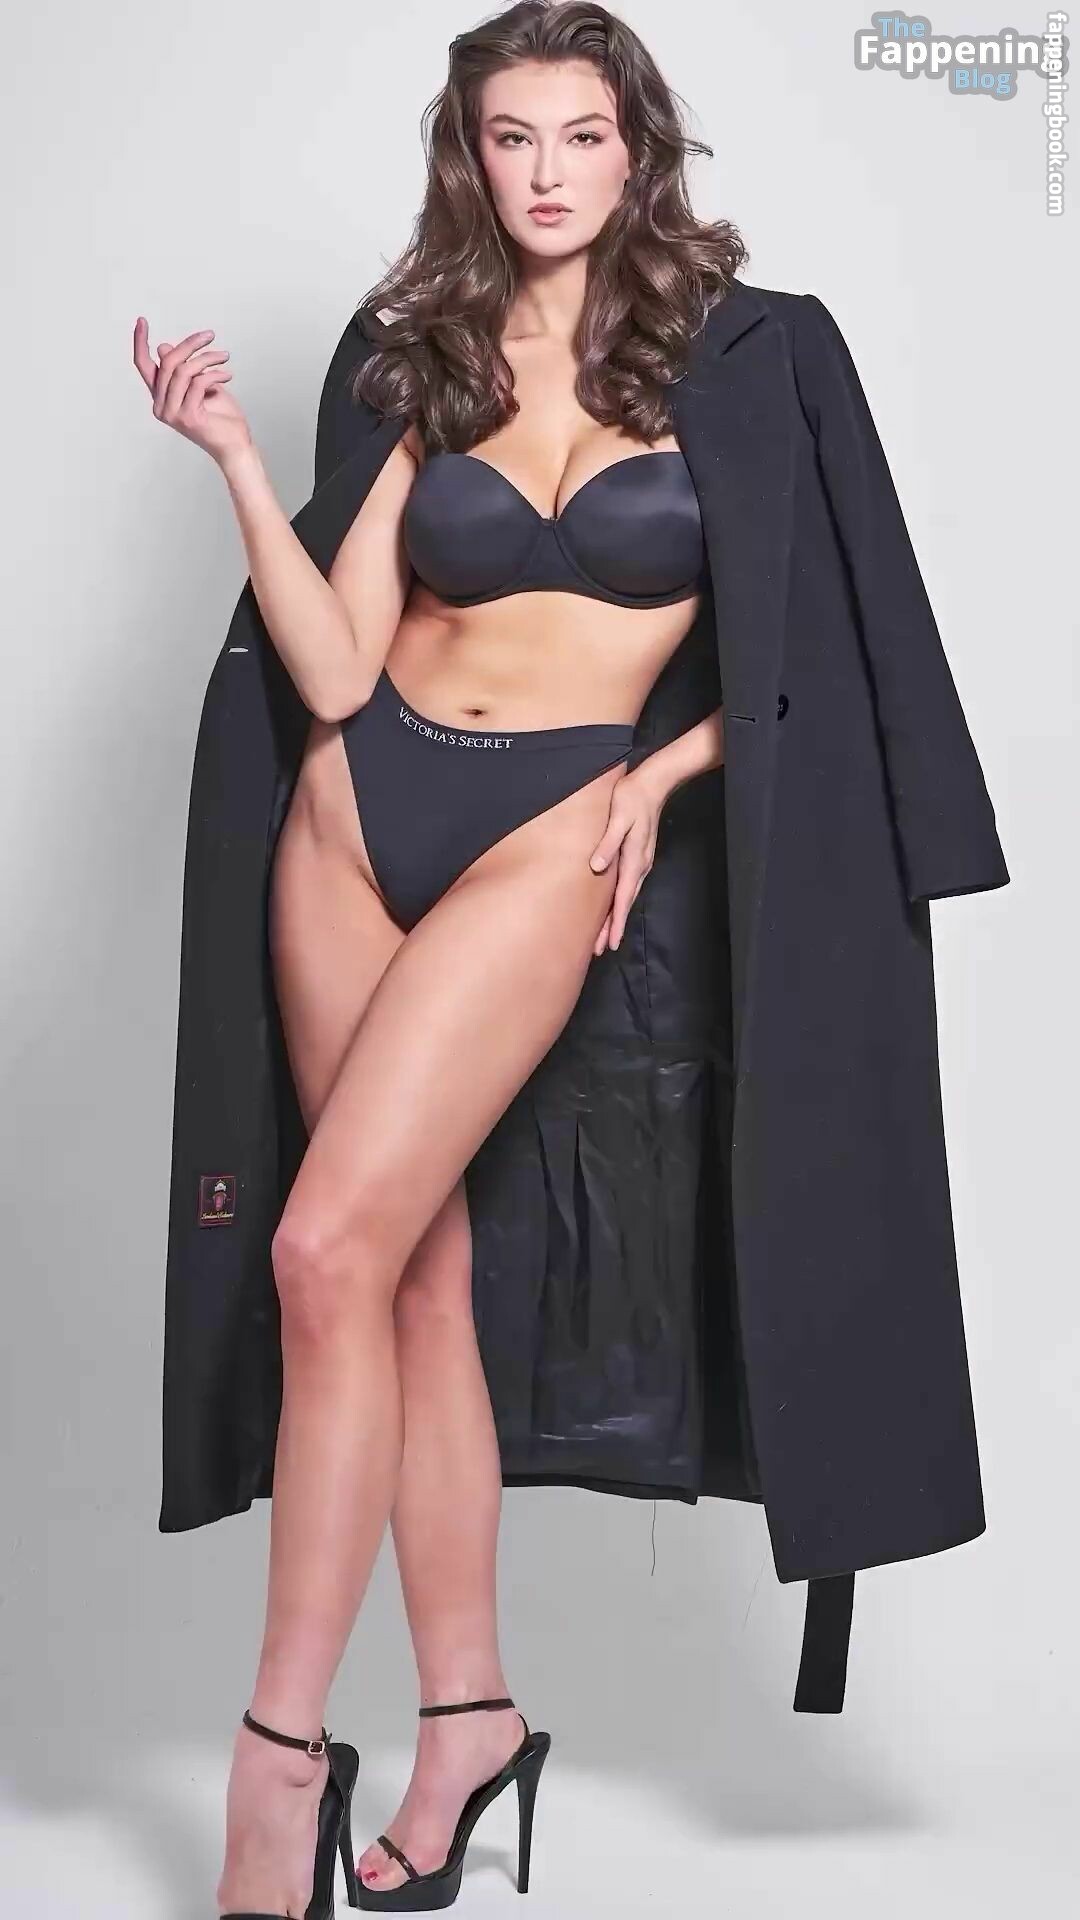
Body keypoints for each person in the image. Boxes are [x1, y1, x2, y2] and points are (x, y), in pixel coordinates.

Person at [138, 5, 1010, 1917]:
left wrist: (667, 773)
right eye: (511, 136)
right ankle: (467, 1719)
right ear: (472, 155)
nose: (547, 172)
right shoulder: (416, 351)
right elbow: (337, 667)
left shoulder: (761, 357)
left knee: (321, 1249)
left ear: (639, 149)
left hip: (553, 826)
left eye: (582, 134)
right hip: (355, 818)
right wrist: (231, 460)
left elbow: (828, 647)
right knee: (407, 1278)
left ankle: (274, 1760)